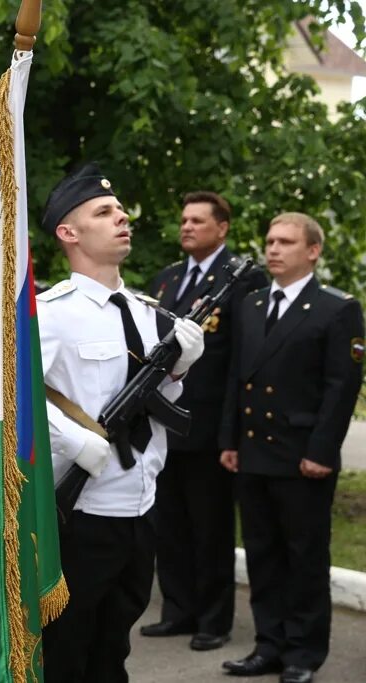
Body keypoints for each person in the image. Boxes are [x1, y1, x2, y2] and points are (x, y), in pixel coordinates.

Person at [35, 164, 205, 683]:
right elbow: (12, 399)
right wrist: (74, 440)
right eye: (103, 212)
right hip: (79, 513)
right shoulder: (50, 313)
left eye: (121, 210)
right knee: (66, 651)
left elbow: (161, 400)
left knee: (114, 649)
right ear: (69, 232)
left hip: (140, 505)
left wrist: (177, 368)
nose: (121, 217)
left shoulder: (149, 311)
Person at [219, 213, 363, 683]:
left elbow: (340, 388)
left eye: (285, 242)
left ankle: (303, 653)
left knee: (303, 557)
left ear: (313, 251)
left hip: (302, 456)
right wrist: (229, 441)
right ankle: (269, 645)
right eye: (270, 241)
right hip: (255, 453)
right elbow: (238, 379)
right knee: (262, 553)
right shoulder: (253, 304)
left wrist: (321, 451)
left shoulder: (336, 309)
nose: (273, 249)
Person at [141, 192, 268, 651]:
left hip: (211, 423)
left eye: (197, 220)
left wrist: (232, 430)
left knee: (210, 527)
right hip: (165, 424)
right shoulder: (167, 280)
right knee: (170, 524)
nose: (187, 226)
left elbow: (244, 360)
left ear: (222, 228)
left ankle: (214, 620)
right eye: (184, 219)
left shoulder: (243, 278)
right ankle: (179, 609)